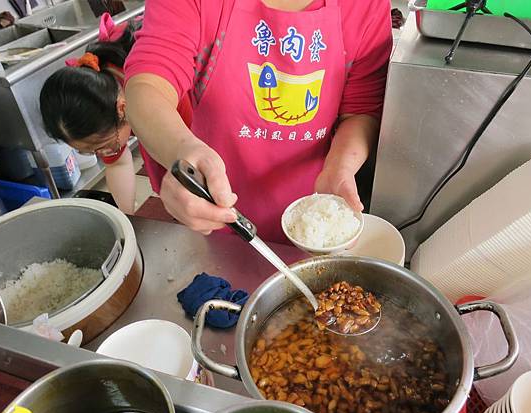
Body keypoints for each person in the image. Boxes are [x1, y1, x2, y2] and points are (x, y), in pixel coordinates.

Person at [125, 0, 392, 242]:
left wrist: (340, 168)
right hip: (214, 208)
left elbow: (361, 110)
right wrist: (181, 150)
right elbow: (148, 85)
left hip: (314, 213)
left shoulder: (365, 5)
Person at [39, 14, 192, 213]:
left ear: (122, 109)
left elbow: (189, 154)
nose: (102, 154)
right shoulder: (102, 103)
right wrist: (127, 218)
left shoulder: (164, 92)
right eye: (88, 151)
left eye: (103, 147)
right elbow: (117, 164)